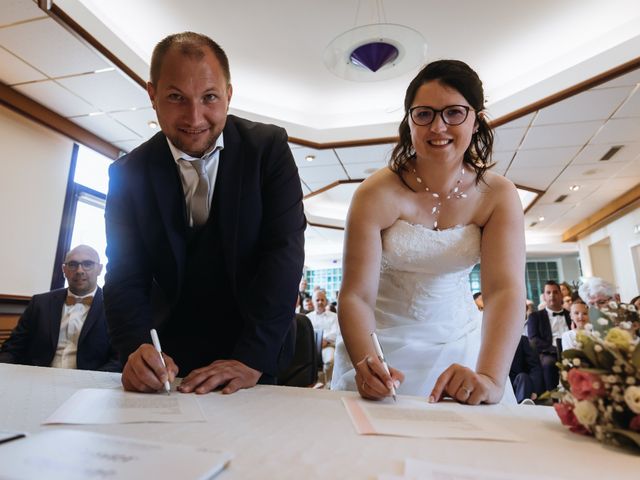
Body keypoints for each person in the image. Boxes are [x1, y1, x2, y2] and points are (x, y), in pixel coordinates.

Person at [104, 32, 305, 395]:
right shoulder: (127, 173)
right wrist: (135, 349)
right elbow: (124, 273)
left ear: (229, 94)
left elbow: (284, 253)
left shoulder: (268, 150)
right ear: (152, 95)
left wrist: (252, 357)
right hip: (170, 357)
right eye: (176, 97)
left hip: (255, 349)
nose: (194, 117)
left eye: (209, 97)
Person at [331, 60, 525, 405]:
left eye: (453, 112)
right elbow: (356, 295)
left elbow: (503, 291)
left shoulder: (498, 195)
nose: (438, 127)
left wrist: (491, 377)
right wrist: (367, 361)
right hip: (380, 343)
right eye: (424, 114)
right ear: (409, 121)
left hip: (464, 346)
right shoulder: (376, 193)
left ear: (476, 119)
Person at [0, 245, 119, 371]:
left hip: (88, 385)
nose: (79, 270)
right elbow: (13, 348)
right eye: (73, 264)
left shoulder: (115, 307)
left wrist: (91, 383)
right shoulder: (39, 303)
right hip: (36, 378)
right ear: (64, 269)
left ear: (99, 269)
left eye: (87, 264)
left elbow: (118, 358)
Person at [527, 280, 571, 391]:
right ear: (544, 296)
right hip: (549, 352)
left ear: (561, 295)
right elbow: (534, 339)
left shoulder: (570, 314)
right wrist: (555, 349)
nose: (552, 295)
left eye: (555, 292)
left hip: (571, 350)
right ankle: (553, 397)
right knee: (548, 364)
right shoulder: (535, 316)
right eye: (548, 292)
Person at [306, 289, 339, 383]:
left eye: (322, 300)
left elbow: (336, 333)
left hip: (327, 346)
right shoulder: (308, 317)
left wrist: (324, 340)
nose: (320, 302)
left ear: (326, 301)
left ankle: (328, 385)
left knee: (330, 361)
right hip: (311, 347)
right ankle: (310, 384)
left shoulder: (334, 316)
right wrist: (317, 341)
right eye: (317, 300)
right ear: (312, 302)